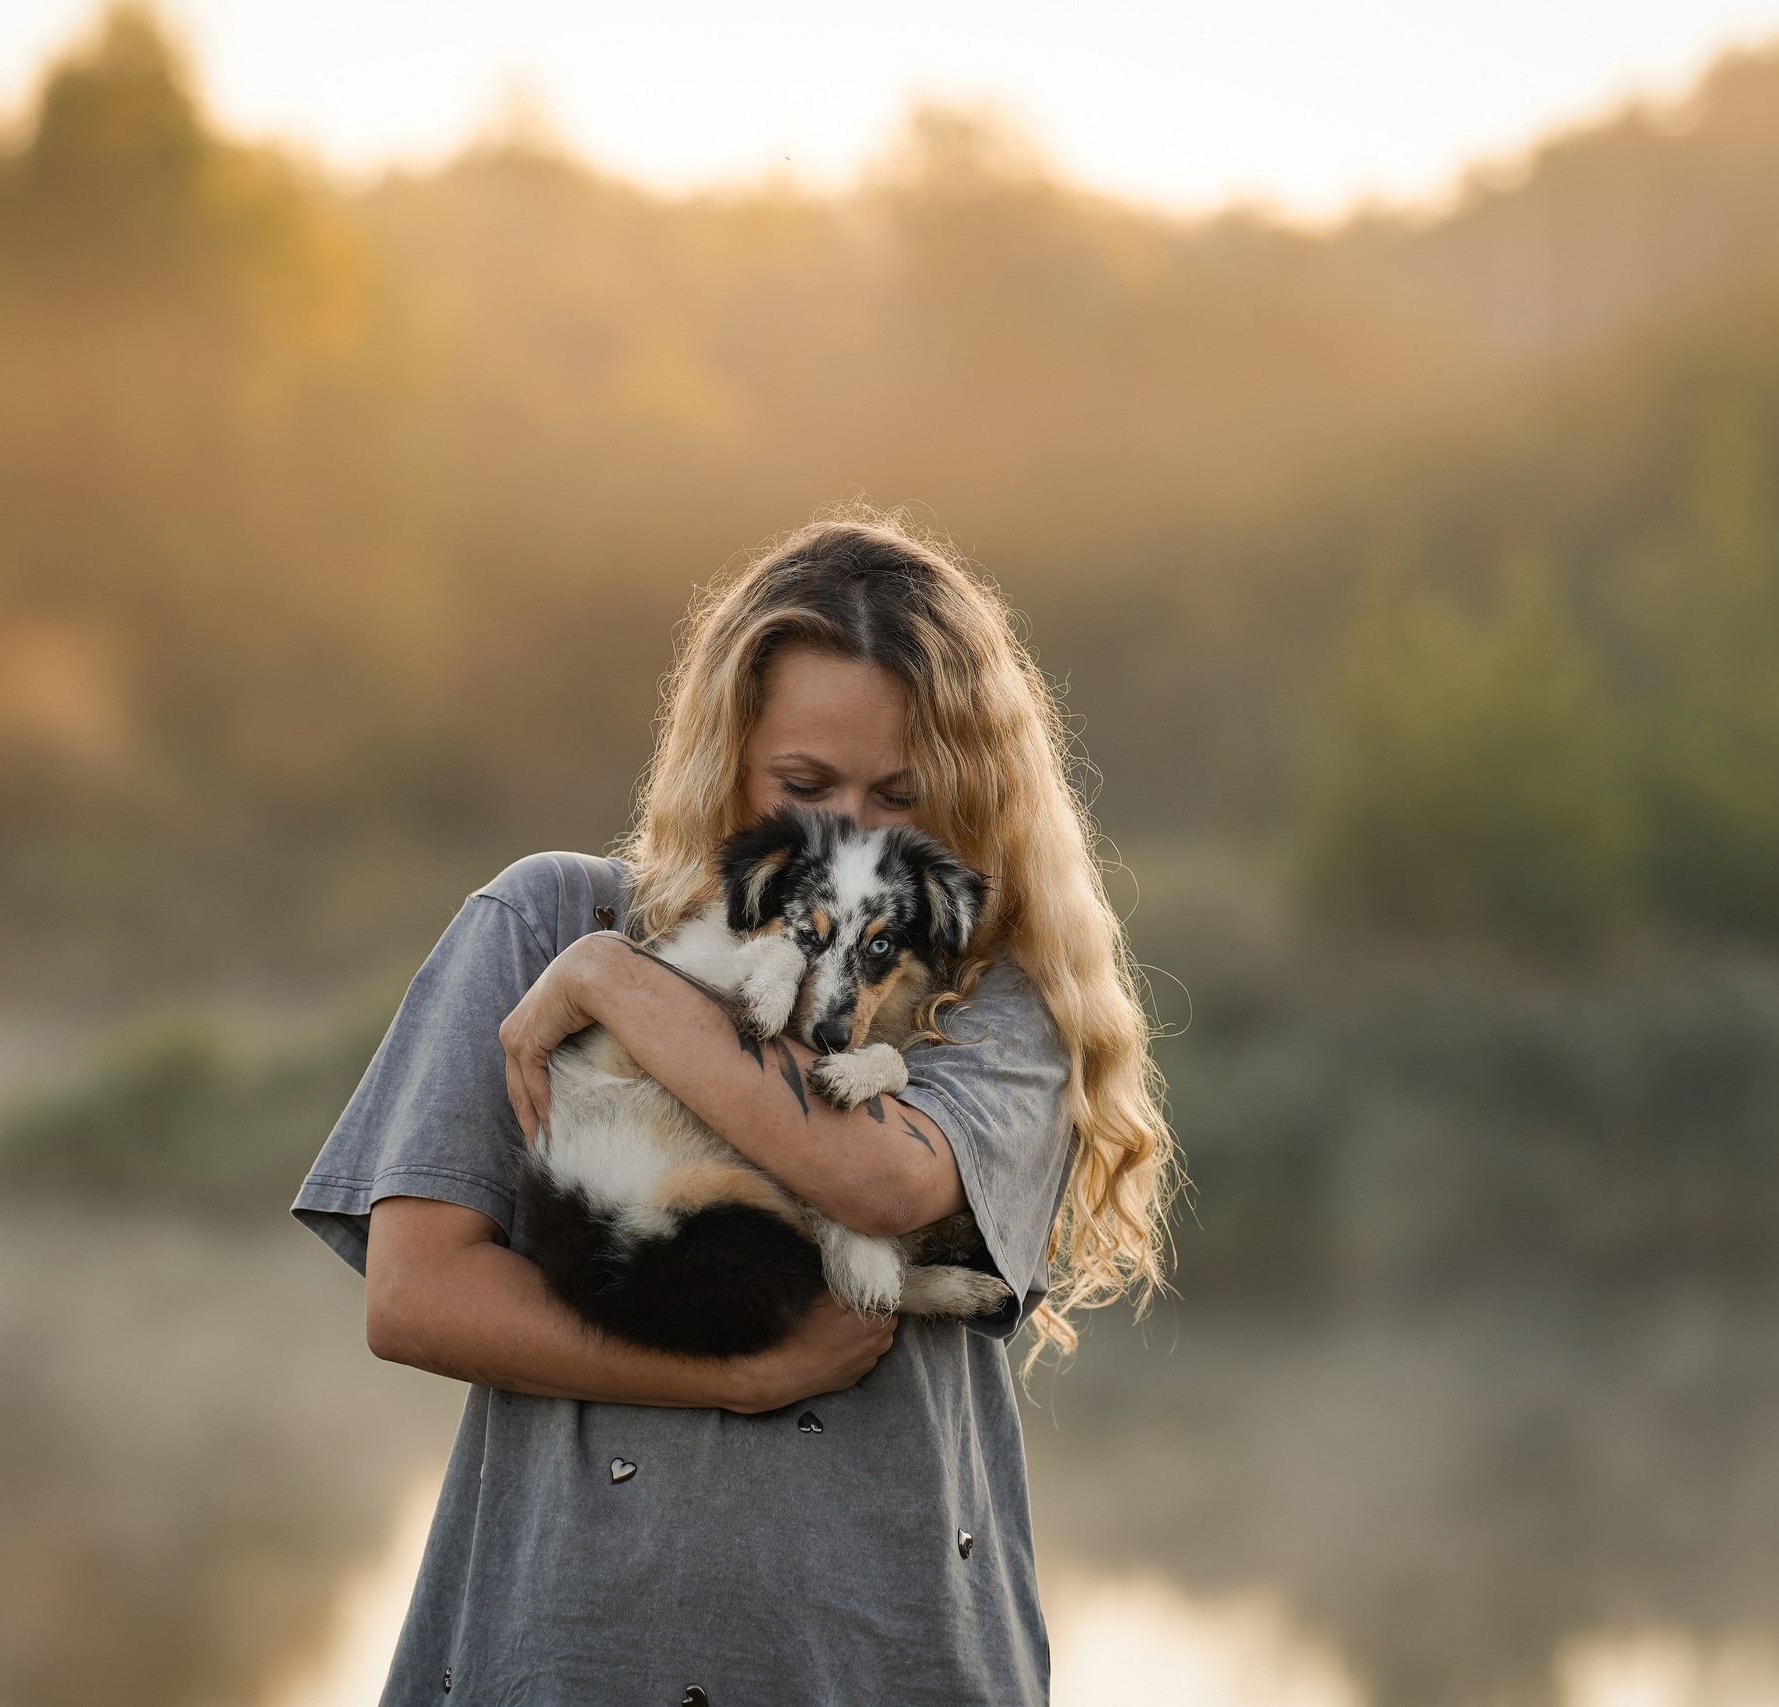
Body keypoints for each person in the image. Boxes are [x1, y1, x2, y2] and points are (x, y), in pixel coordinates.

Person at [293, 513, 1172, 1705]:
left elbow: (879, 1181)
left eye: (901, 796)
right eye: (804, 784)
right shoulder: (540, 921)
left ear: (970, 792)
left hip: (877, 1653)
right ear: (728, 763)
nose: (847, 834)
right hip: (566, 1655)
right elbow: (416, 1297)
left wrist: (614, 986)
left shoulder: (998, 993)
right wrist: (734, 1380)